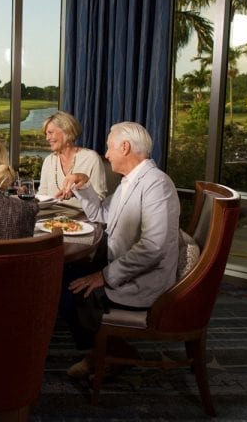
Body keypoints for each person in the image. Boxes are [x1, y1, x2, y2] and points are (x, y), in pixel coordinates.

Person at [55, 121, 180, 379]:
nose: (106, 154)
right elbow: (103, 215)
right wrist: (84, 186)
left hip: (144, 279)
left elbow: (153, 247)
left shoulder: (157, 184)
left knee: (72, 292)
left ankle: (111, 353)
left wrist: (105, 276)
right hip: (123, 266)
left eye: (110, 147)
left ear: (125, 147)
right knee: (64, 276)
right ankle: (104, 348)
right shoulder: (129, 182)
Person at [38, 111, 107, 208]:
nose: (47, 138)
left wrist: (76, 193)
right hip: (51, 219)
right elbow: (42, 195)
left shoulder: (91, 158)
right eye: (46, 134)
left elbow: (99, 199)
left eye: (50, 133)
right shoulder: (49, 160)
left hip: (82, 217)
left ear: (66, 131)